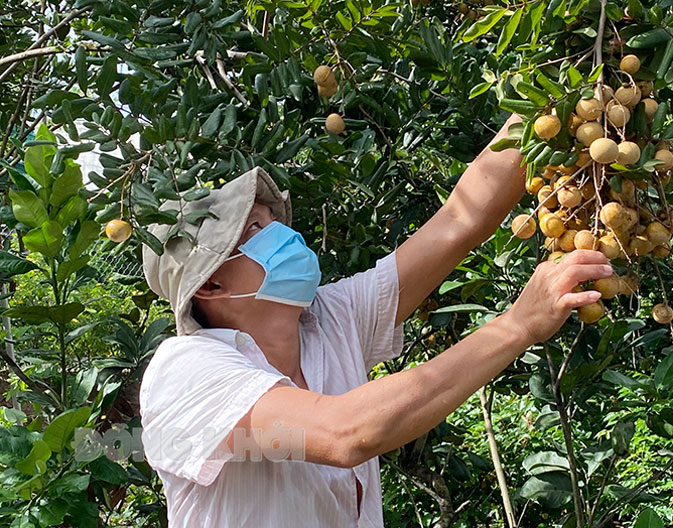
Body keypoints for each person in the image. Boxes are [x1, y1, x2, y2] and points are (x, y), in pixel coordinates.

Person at [138, 114, 613, 527]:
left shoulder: (330, 318)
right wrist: (517, 326)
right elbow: (345, 432)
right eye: (256, 230)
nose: (283, 235)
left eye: (274, 221)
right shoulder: (186, 371)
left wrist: (548, 106)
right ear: (210, 286)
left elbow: (459, 221)